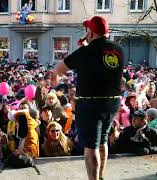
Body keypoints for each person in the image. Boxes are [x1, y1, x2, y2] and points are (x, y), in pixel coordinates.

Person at [51, 16, 124, 180]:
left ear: (91, 32)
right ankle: (100, 176)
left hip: (91, 103)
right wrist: (86, 45)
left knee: (91, 146)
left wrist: (84, 47)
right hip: (112, 102)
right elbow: (99, 60)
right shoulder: (118, 50)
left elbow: (59, 68)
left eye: (87, 30)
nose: (86, 32)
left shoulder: (85, 52)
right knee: (103, 140)